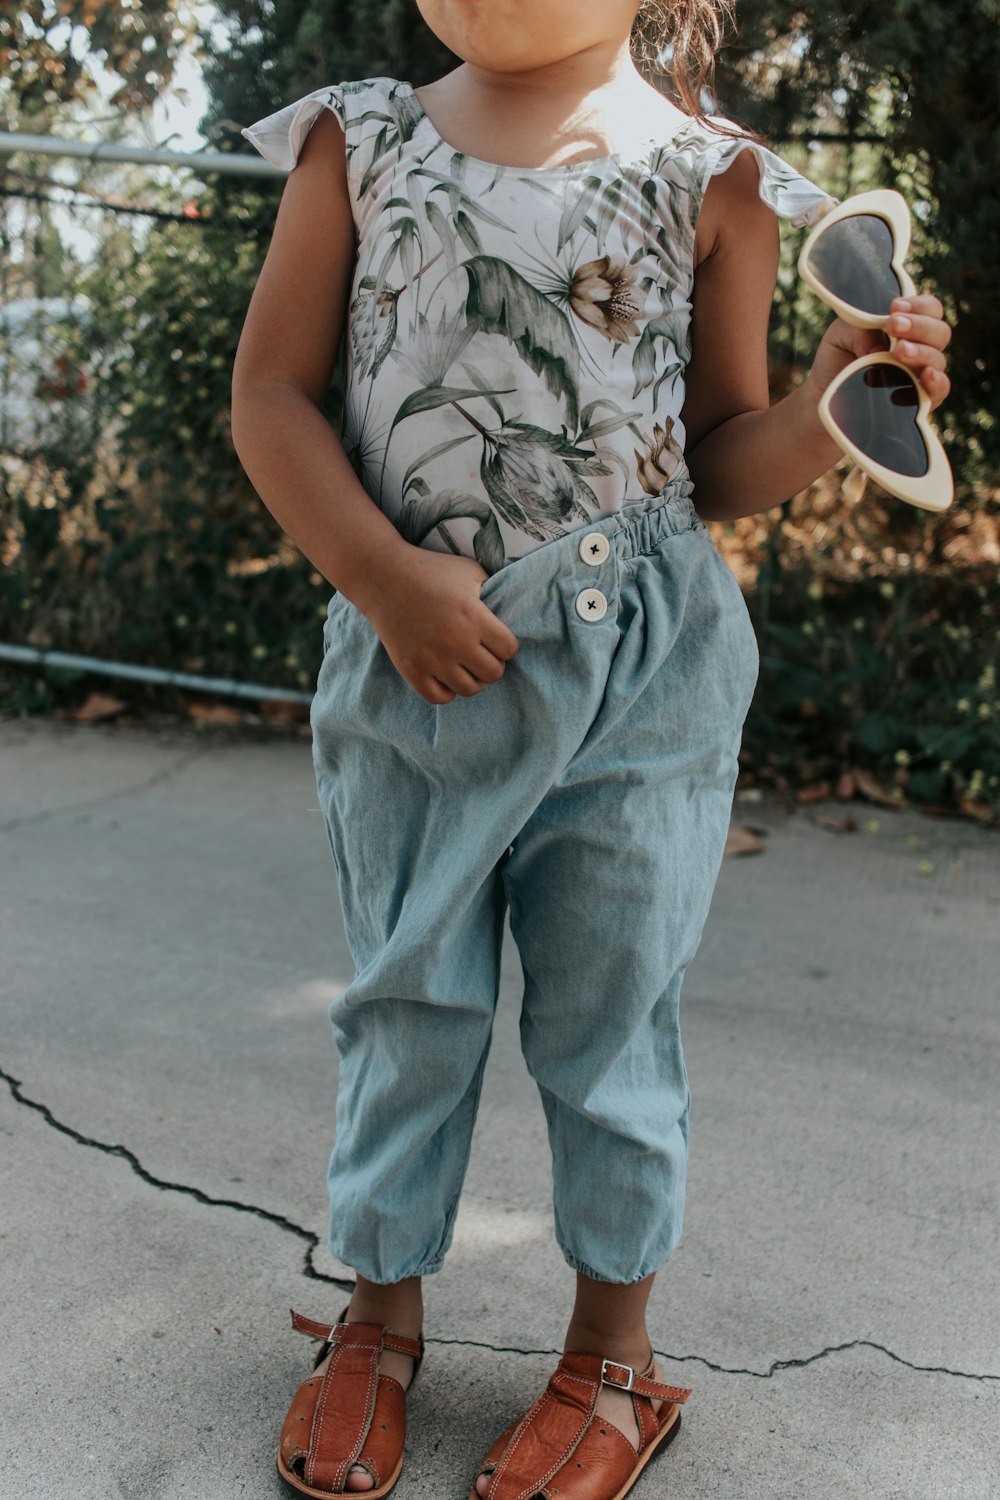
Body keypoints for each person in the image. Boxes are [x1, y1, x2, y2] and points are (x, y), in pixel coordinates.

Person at [232, 3, 953, 1496]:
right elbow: (270, 394)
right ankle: (375, 1317)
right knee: (406, 996)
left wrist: (834, 403)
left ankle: (614, 1357)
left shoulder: (718, 176)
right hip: (413, 660)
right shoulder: (351, 138)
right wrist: (378, 575)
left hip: (644, 669)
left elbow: (722, 457)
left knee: (614, 1016)